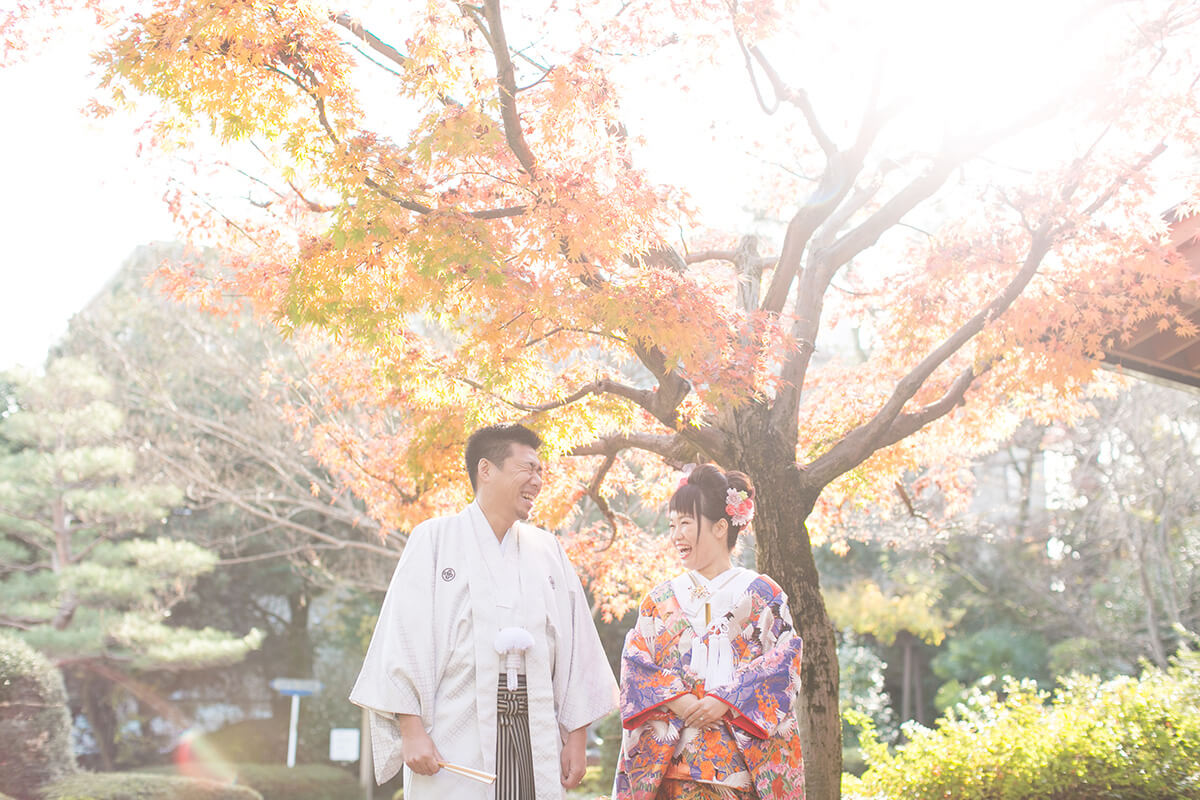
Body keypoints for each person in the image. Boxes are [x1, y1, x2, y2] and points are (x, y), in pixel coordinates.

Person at [351, 423, 618, 800]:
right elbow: (403, 636)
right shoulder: (433, 539)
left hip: (534, 728)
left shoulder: (548, 550)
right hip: (453, 729)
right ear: (486, 470)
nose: (538, 480)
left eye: (541, 471)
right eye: (528, 468)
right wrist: (410, 730)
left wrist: (576, 736)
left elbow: (577, 647)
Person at [613, 464, 805, 800]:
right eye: (673, 525)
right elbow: (635, 665)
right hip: (671, 774)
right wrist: (678, 699)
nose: (676, 535)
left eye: (686, 523)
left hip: (739, 775)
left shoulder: (763, 595)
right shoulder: (659, 599)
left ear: (720, 527)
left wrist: (725, 700)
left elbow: (783, 666)